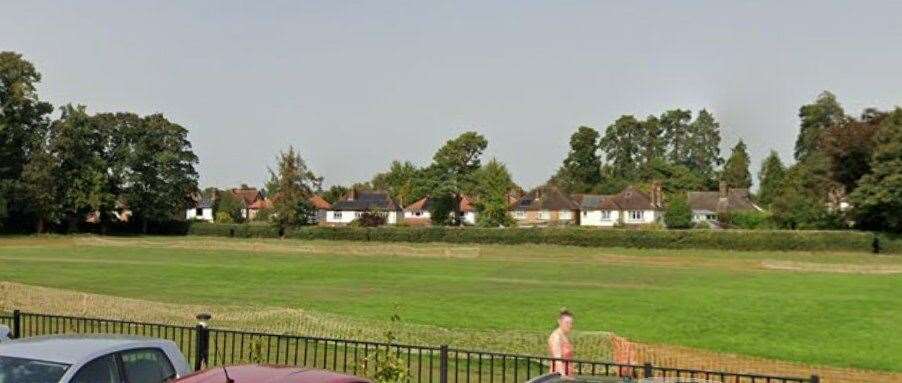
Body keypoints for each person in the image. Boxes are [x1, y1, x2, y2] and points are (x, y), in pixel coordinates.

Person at [548, 309, 574, 376]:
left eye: (571, 323)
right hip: (558, 376)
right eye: (567, 323)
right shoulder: (556, 337)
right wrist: (563, 376)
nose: (570, 325)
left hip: (567, 374)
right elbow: (558, 360)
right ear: (559, 322)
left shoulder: (565, 336)